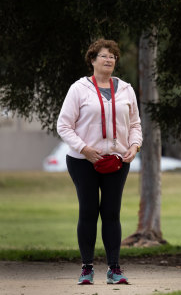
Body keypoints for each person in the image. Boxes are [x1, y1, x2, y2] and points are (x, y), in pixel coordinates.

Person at [57, 39, 142, 285]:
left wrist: (134, 146)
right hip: (84, 161)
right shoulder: (79, 89)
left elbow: (135, 124)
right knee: (88, 211)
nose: (109, 60)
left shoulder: (126, 89)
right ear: (92, 60)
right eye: (104, 56)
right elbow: (64, 125)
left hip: (118, 160)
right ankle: (86, 268)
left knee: (112, 213)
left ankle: (114, 269)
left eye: (113, 56)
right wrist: (84, 148)